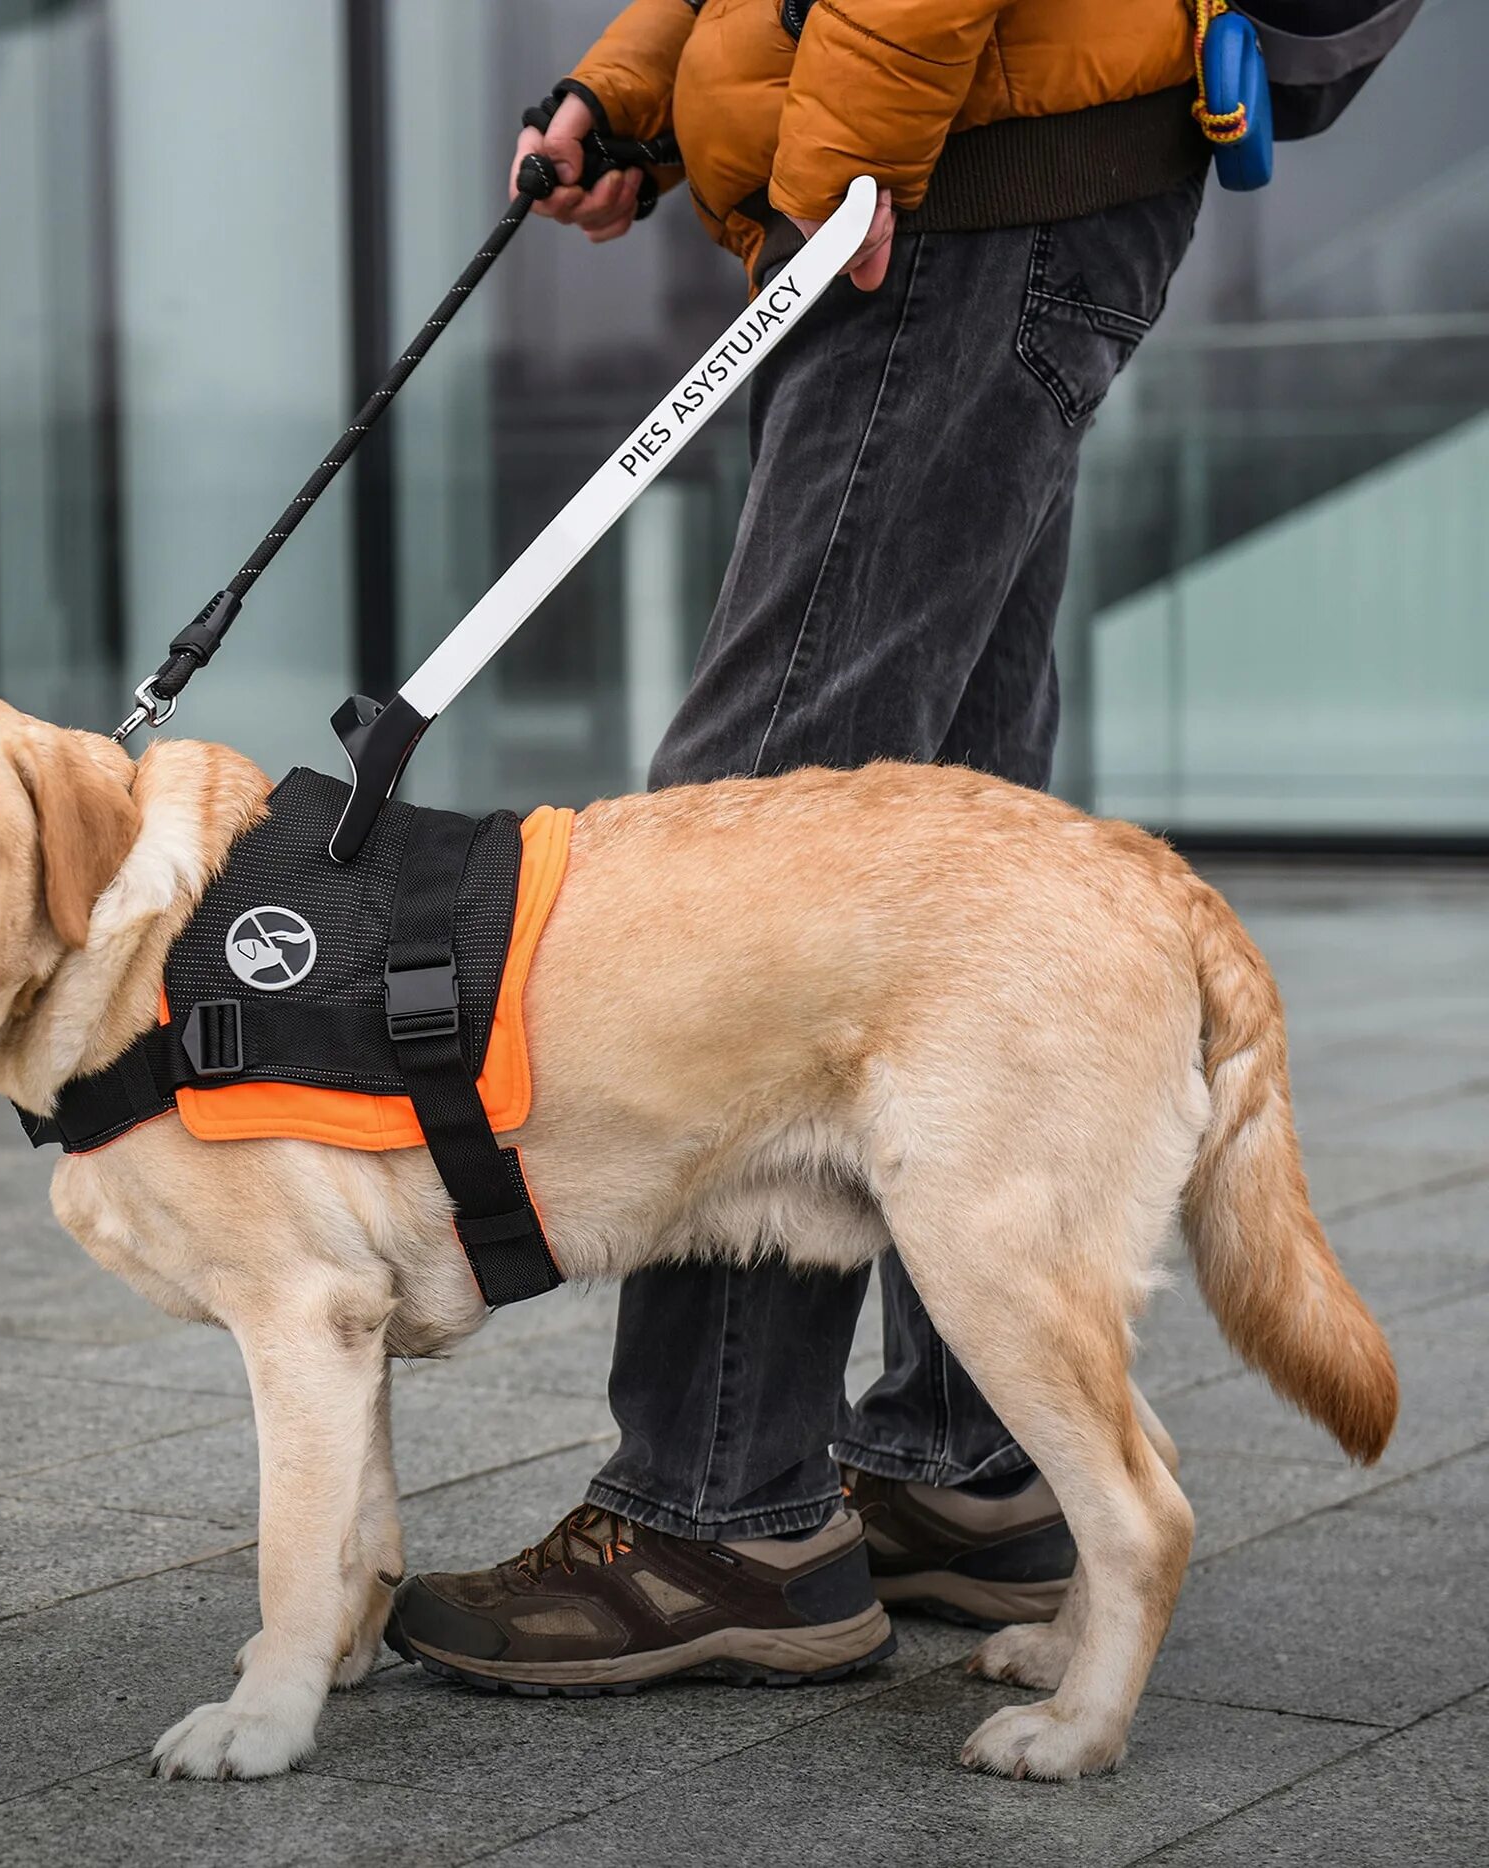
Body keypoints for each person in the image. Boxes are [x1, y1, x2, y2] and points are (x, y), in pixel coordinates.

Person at [388, 0, 1210, 1689]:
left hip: (934, 206)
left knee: (742, 864)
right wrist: (635, 97)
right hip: (974, 189)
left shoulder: (886, 193)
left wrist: (827, 182)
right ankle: (974, 1469)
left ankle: (720, 1515)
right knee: (945, 839)